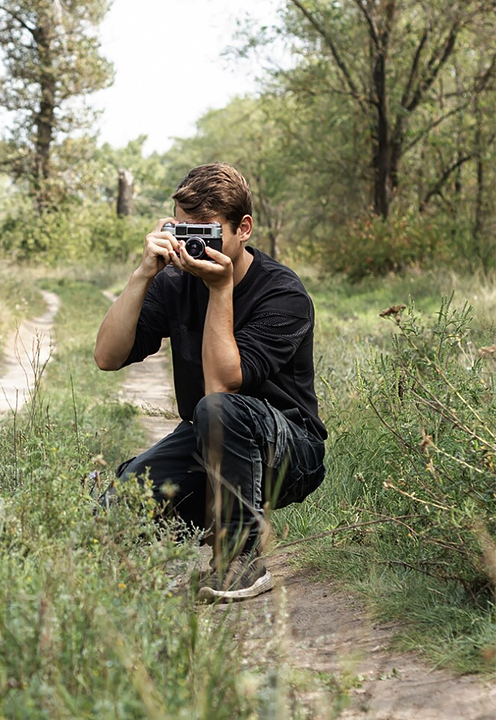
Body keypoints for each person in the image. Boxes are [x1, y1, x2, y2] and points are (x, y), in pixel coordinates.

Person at [93, 163, 327, 602]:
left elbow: (220, 388)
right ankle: (233, 513)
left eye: (208, 233)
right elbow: (107, 356)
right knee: (113, 511)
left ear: (244, 229)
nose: (194, 246)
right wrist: (144, 273)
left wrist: (220, 291)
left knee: (216, 408)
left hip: (290, 450)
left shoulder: (284, 295)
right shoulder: (174, 282)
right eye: (185, 232)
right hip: (207, 440)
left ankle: (241, 555)